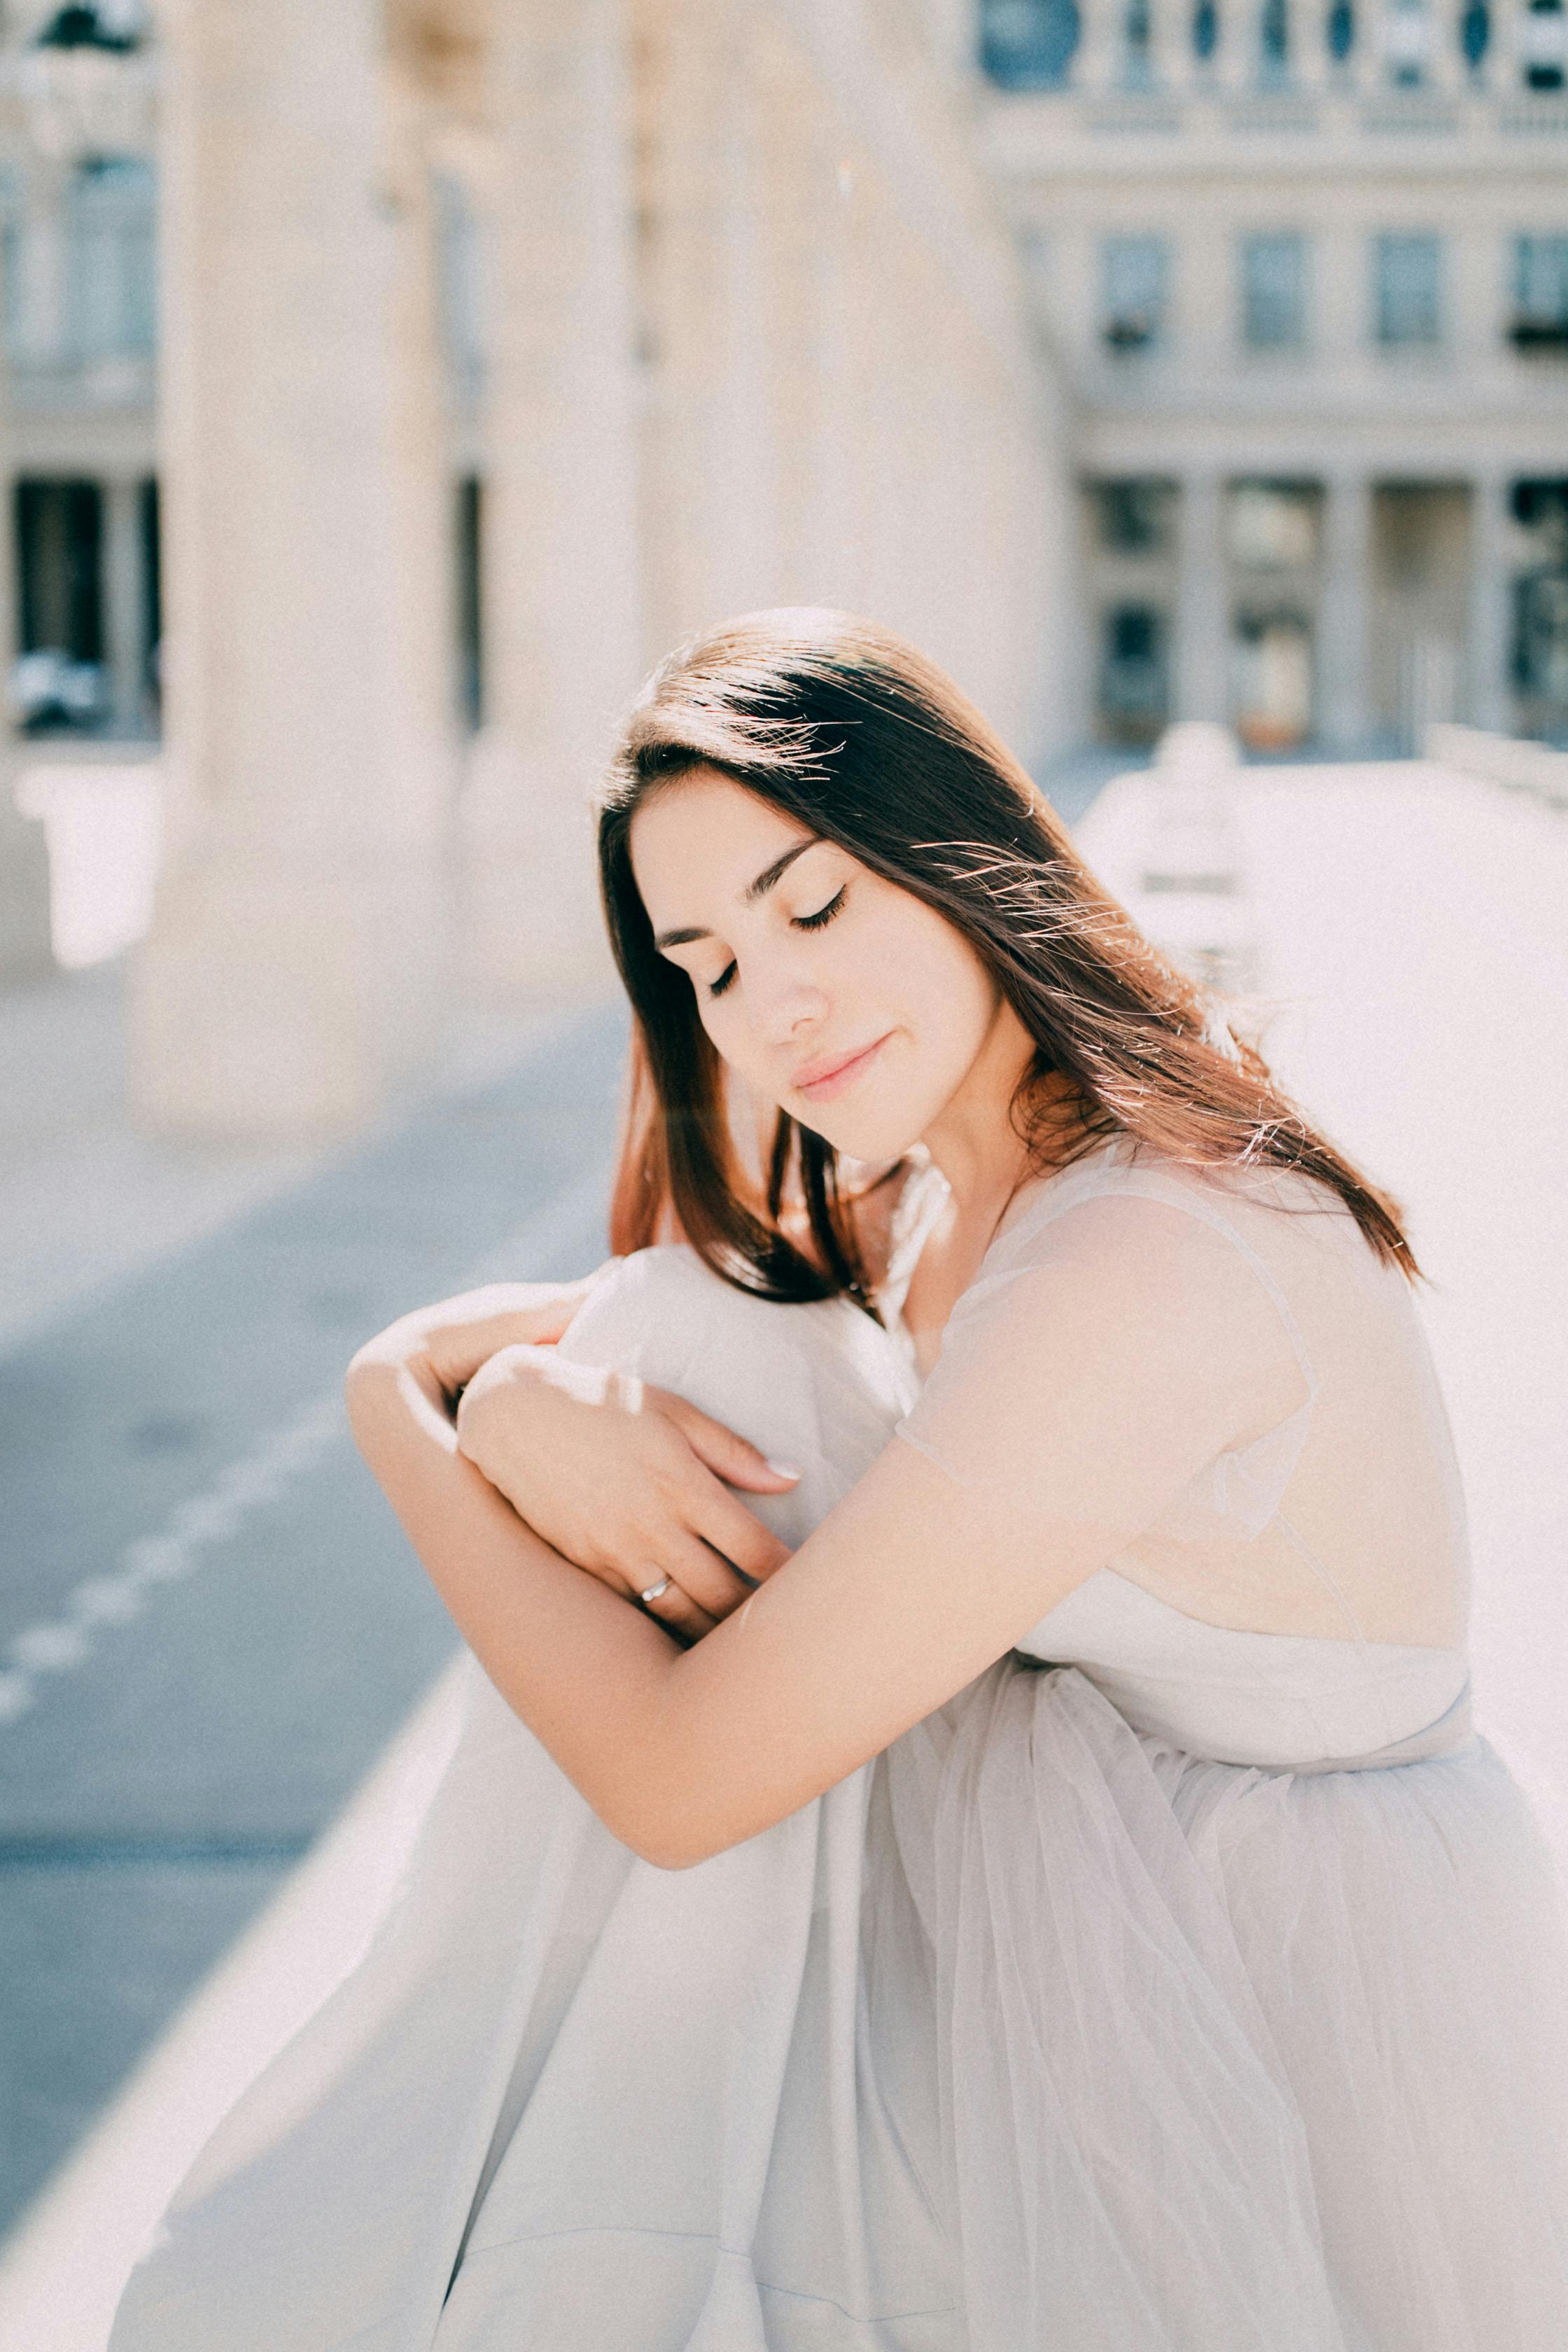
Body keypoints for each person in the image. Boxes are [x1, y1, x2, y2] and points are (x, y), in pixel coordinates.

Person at [110, 611, 1568, 2351]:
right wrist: (504, 1396)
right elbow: (534, 1333)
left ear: (957, 851)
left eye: (813, 905)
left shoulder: (1142, 1256)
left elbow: (676, 1781)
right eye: (708, 963)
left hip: (1283, 1976)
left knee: (691, 1348)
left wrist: (385, 1405)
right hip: (1091, 1863)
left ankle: (474, 2220)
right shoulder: (935, 1186)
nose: (772, 1004)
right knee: (684, 1322)